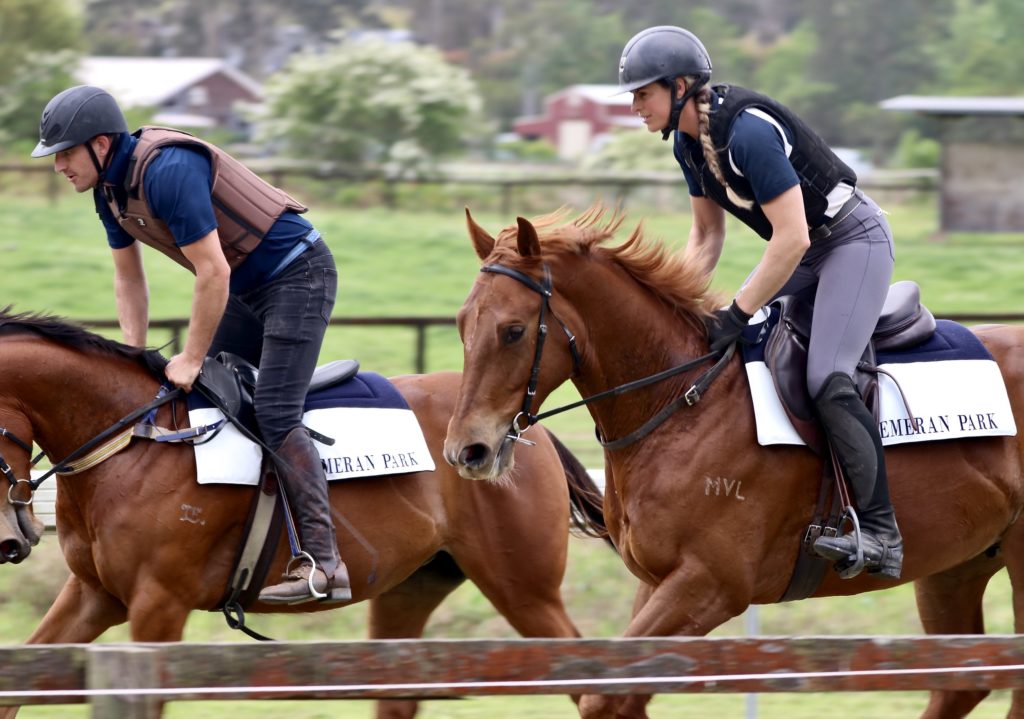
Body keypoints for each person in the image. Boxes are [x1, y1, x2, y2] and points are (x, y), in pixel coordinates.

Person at [31, 85, 351, 603]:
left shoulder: (168, 170)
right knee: (207, 402)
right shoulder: (107, 190)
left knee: (273, 409)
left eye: (65, 153)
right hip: (244, 287)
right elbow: (128, 279)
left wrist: (193, 356)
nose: (58, 166)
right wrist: (131, 357)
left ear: (102, 145)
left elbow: (212, 270)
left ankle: (324, 561)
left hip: (298, 276)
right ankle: (238, 537)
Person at [617, 27, 903, 579]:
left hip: (851, 241)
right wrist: (683, 309)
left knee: (826, 376)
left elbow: (792, 237)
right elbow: (705, 239)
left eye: (642, 94)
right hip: (804, 249)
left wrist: (737, 310)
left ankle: (881, 532)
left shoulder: (745, 132)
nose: (635, 107)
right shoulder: (686, 142)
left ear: (679, 87)